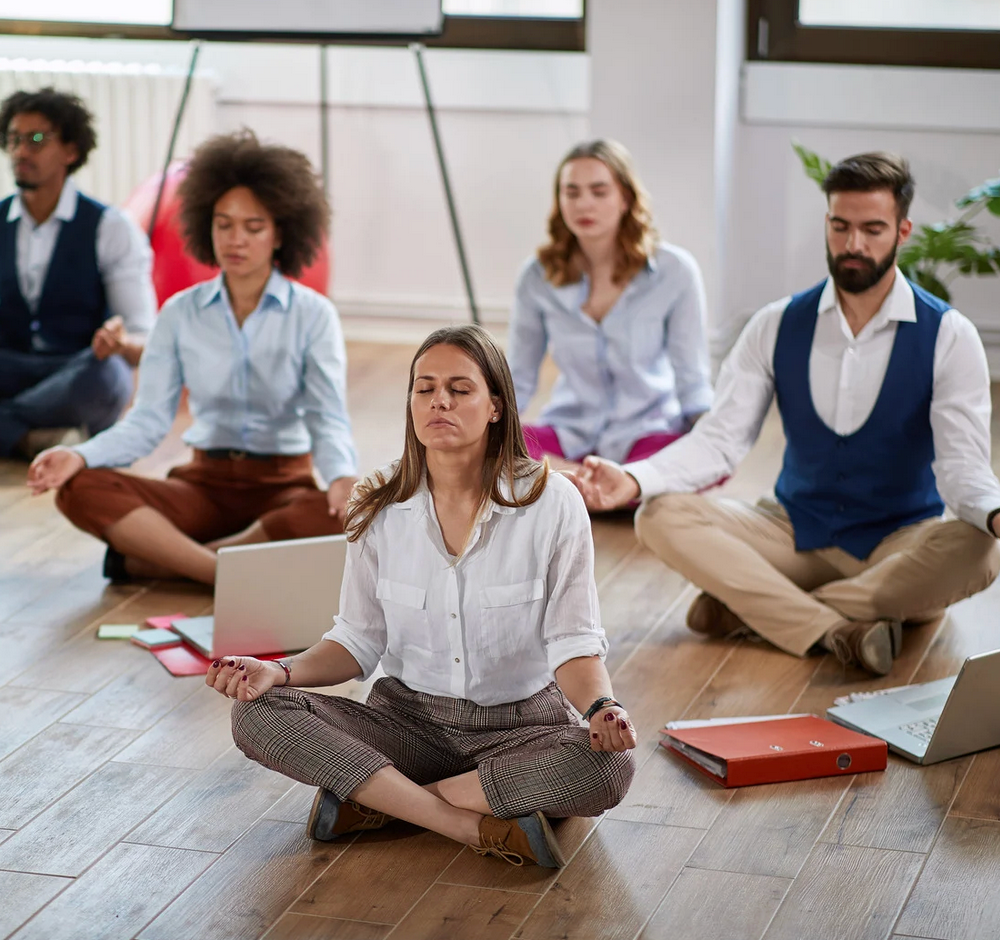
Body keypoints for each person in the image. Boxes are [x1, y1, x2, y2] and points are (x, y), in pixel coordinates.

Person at [207, 325, 635, 868]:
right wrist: (279, 672)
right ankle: (467, 823)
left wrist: (602, 708)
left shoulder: (553, 502)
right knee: (255, 713)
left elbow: (573, 640)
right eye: (424, 387)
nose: (439, 401)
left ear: (496, 406)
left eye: (459, 389)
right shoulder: (375, 501)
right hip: (405, 727)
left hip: (522, 728)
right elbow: (356, 641)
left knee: (610, 767)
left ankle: (382, 802)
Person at [574, 152, 1000, 676]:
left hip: (899, 544)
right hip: (793, 530)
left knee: (981, 549)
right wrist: (634, 478)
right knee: (659, 515)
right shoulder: (776, 324)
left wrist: (994, 511)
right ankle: (837, 626)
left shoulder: (950, 336)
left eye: (872, 229)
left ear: (903, 231)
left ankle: (757, 611)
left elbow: (963, 468)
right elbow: (720, 440)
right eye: (841, 227)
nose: (854, 245)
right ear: (827, 223)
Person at [29, 130, 359, 586]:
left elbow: (328, 417)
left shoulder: (314, 314)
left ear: (281, 232)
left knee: (356, 514)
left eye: (253, 226)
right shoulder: (180, 312)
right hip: (201, 488)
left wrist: (342, 476)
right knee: (79, 487)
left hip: (284, 492)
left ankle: (161, 562)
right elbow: (147, 422)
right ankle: (222, 572)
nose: (235, 240)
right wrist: (80, 455)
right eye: (223, 224)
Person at [0, 87, 157, 459]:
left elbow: (144, 339)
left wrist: (120, 342)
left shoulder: (111, 227)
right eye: (13, 140)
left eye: (37, 140)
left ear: (71, 151)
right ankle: (24, 436)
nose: (21, 152)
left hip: (74, 369)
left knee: (108, 378)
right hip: (4, 366)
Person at [509, 139, 712, 476]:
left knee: (696, 459)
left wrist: (710, 439)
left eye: (599, 191)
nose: (583, 204)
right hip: (569, 430)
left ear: (625, 198)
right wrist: (485, 434)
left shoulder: (675, 271)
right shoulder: (536, 276)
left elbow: (692, 381)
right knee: (492, 450)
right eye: (571, 193)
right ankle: (591, 484)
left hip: (647, 434)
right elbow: (518, 377)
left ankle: (574, 485)